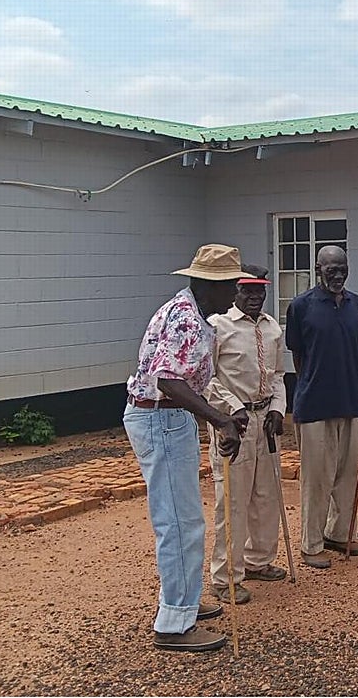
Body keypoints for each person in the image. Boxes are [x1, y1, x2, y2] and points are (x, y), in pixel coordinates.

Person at [122, 244, 247, 653]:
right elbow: (168, 380)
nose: (235, 295)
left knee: (187, 520)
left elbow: (186, 381)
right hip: (159, 418)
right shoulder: (187, 321)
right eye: (232, 286)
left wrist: (224, 412)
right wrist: (219, 419)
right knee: (178, 523)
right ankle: (175, 622)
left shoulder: (190, 313)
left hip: (166, 418)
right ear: (212, 285)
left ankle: (186, 603)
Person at [204, 264, 288, 605]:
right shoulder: (216, 327)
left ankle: (258, 560)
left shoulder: (272, 329)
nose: (254, 297)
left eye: (260, 291)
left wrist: (278, 409)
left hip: (265, 419)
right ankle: (226, 577)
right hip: (232, 424)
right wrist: (232, 406)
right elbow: (205, 379)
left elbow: (279, 374)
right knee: (233, 500)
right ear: (235, 292)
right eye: (247, 291)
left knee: (267, 497)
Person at [286, 245, 358, 568]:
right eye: (330, 269)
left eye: (342, 268)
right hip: (314, 403)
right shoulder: (300, 306)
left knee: (347, 475)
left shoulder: (355, 303)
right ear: (318, 269)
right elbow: (298, 355)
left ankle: (338, 532)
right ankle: (312, 543)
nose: (337, 274)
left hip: (351, 400)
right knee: (317, 478)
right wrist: (312, 382)